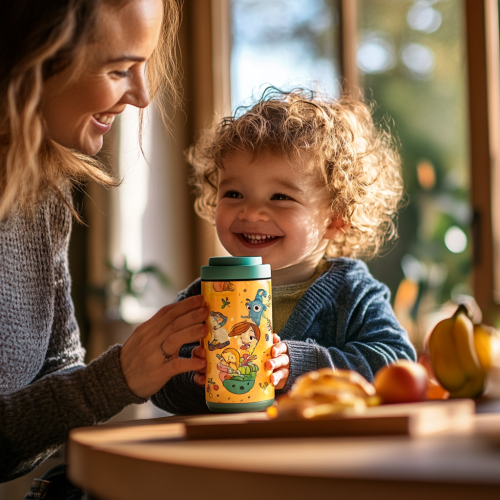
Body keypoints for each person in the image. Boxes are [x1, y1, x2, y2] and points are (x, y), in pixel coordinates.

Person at [0, 0, 208, 493]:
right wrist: (116, 378)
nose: (141, 94)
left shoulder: (42, 193)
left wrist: (155, 375)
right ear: (30, 60)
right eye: (120, 69)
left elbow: (57, 380)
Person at [152, 88, 417, 415]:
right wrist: (192, 377)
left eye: (280, 197)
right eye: (233, 193)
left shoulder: (355, 293)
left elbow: (397, 364)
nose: (250, 213)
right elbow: (157, 383)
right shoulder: (203, 298)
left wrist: (306, 365)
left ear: (336, 220)